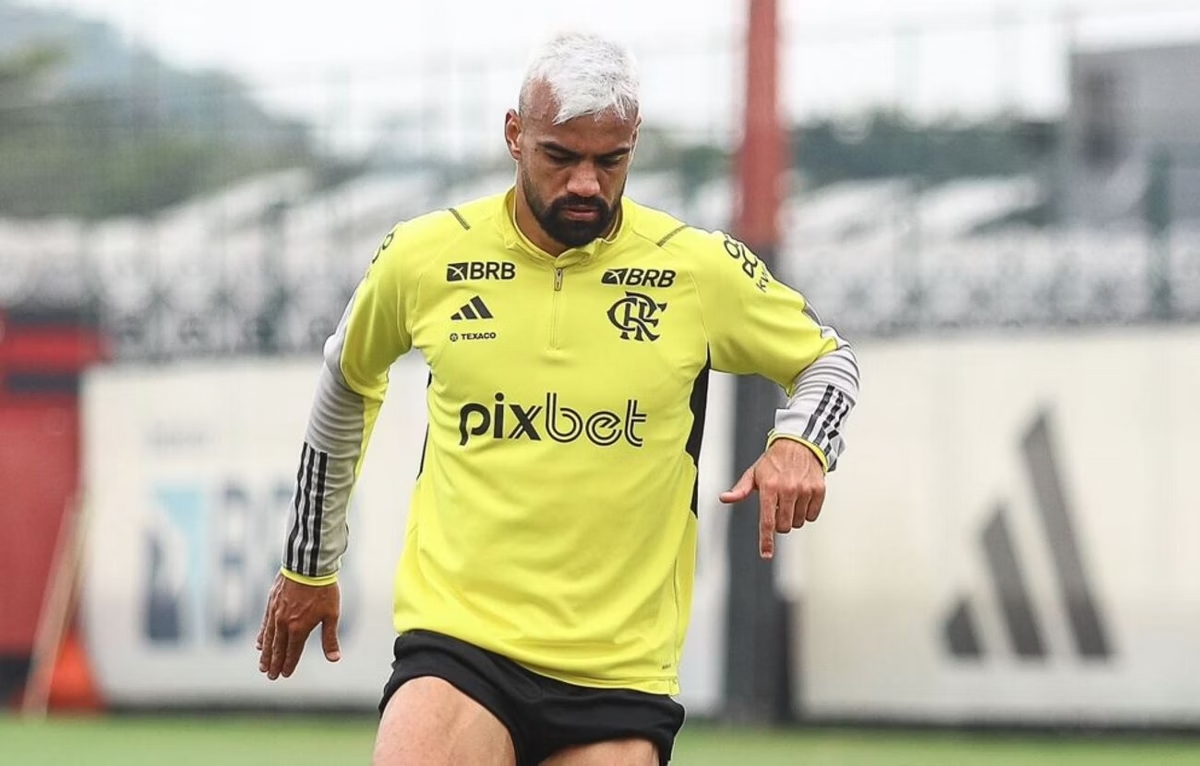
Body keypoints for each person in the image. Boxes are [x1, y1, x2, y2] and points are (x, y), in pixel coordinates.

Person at [256, 31, 859, 766]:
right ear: (515, 136)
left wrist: (801, 441)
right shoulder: (424, 257)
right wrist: (309, 560)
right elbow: (346, 381)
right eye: (560, 156)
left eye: (610, 161)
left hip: (619, 672)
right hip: (461, 646)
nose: (586, 184)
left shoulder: (693, 269)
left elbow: (829, 362)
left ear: (634, 143)